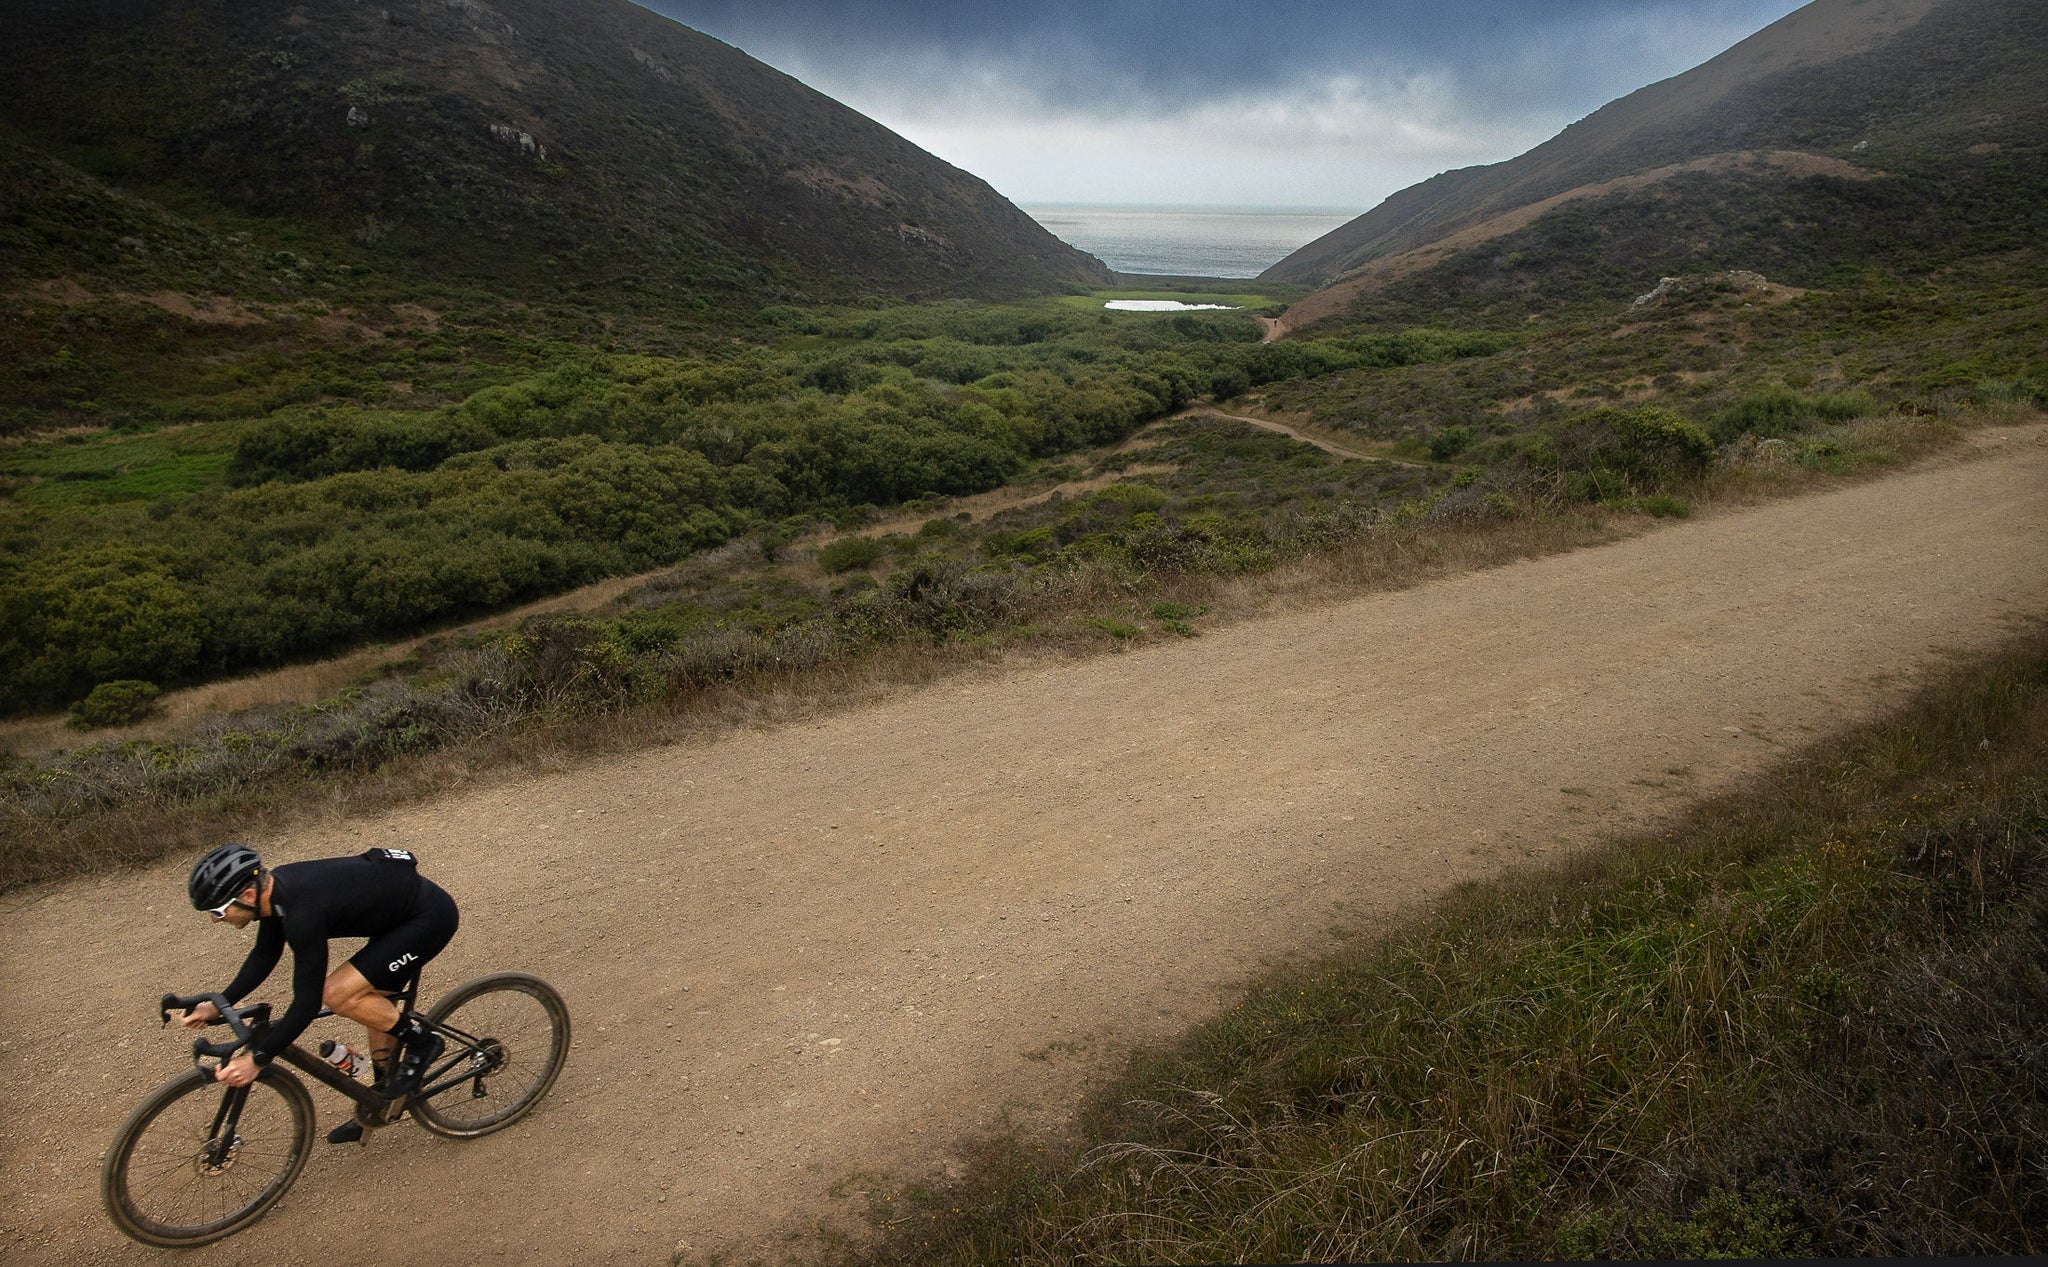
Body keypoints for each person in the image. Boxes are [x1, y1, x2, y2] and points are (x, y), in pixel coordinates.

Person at [181, 843, 460, 1142]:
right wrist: (219, 1004)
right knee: (372, 1004)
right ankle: (381, 1101)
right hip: (396, 920)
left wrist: (257, 1059)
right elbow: (264, 955)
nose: (214, 919)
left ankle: (423, 1042)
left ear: (248, 895)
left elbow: (307, 1003)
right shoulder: (275, 893)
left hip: (428, 919)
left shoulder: (302, 913)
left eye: (217, 910)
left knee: (338, 994)